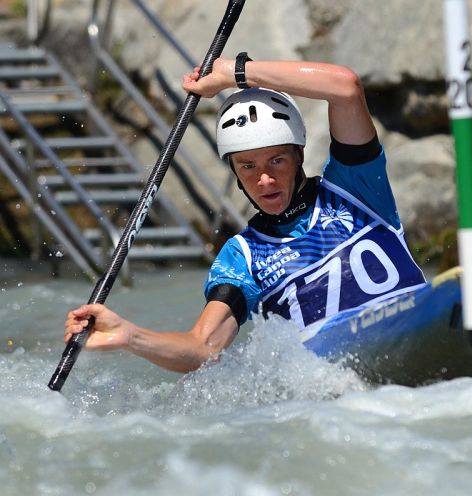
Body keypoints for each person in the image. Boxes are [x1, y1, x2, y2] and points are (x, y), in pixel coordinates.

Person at [63, 55, 426, 373]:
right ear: (234, 172)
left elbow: (344, 87)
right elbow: (203, 348)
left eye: (277, 160)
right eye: (248, 166)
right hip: (345, 385)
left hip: (418, 325)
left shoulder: (353, 186)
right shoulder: (243, 257)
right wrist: (130, 336)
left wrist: (235, 73)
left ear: (299, 155)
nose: (264, 178)